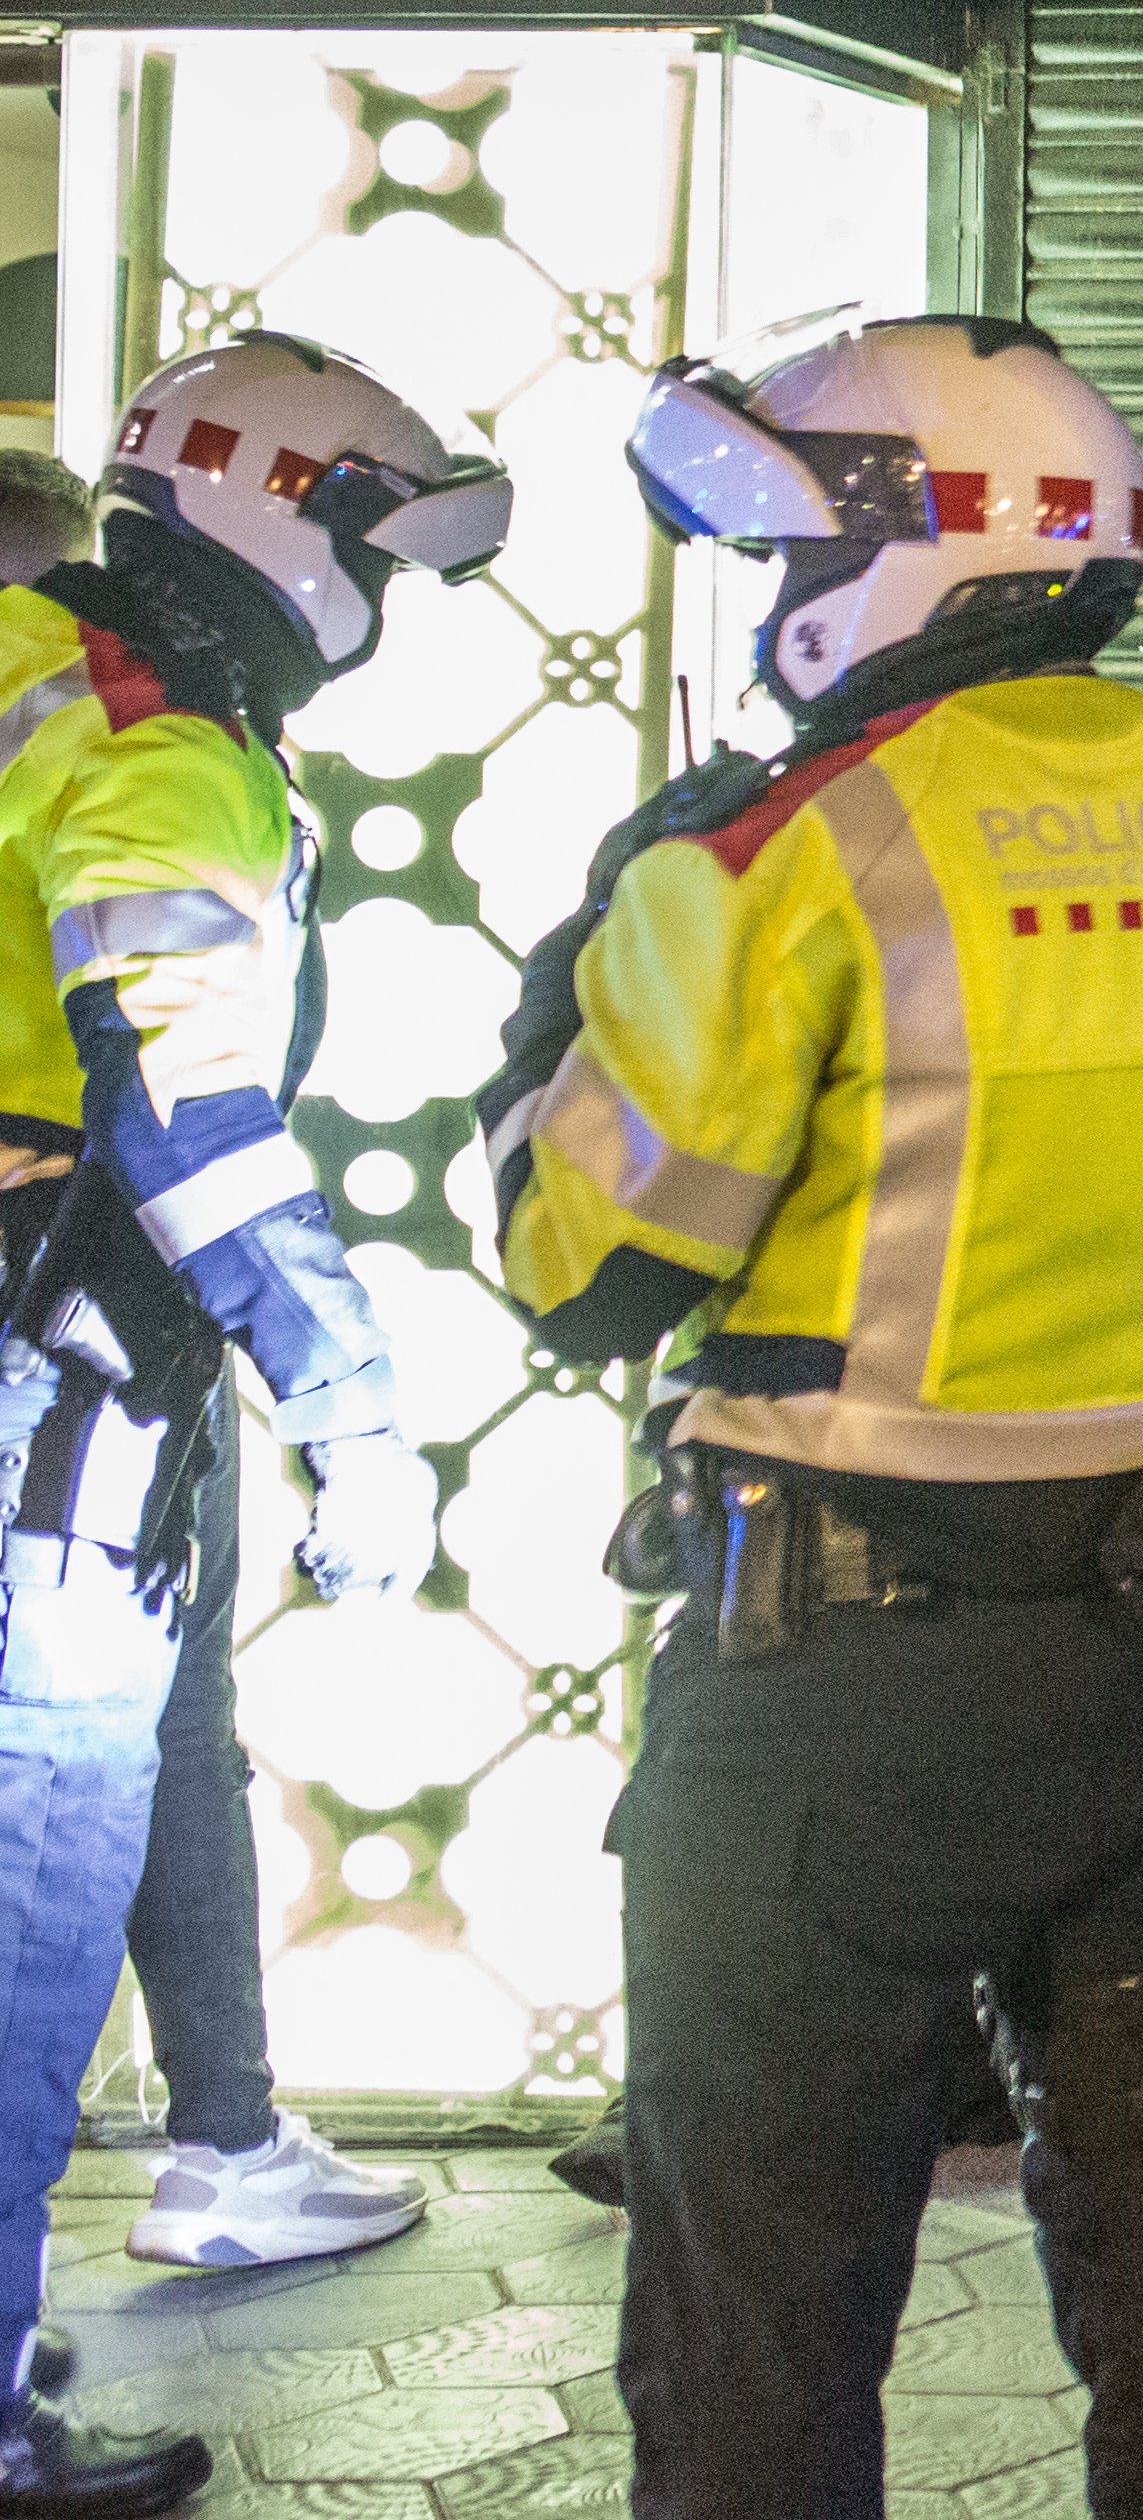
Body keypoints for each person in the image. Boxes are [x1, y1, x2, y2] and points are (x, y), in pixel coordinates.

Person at [476, 317, 1143, 2520]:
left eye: (779, 552)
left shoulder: (769, 860)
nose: (764, 608)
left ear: (899, 551)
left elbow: (588, 1273)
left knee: (762, 2293)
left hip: (830, 1707)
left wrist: (567, 993)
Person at [2, 339, 502, 2520]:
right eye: (379, 547)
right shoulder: (151, 741)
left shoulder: (25, 666)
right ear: (290, 519)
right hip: (47, 1400)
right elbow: (190, 1120)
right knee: (25, 1896)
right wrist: (354, 1405)